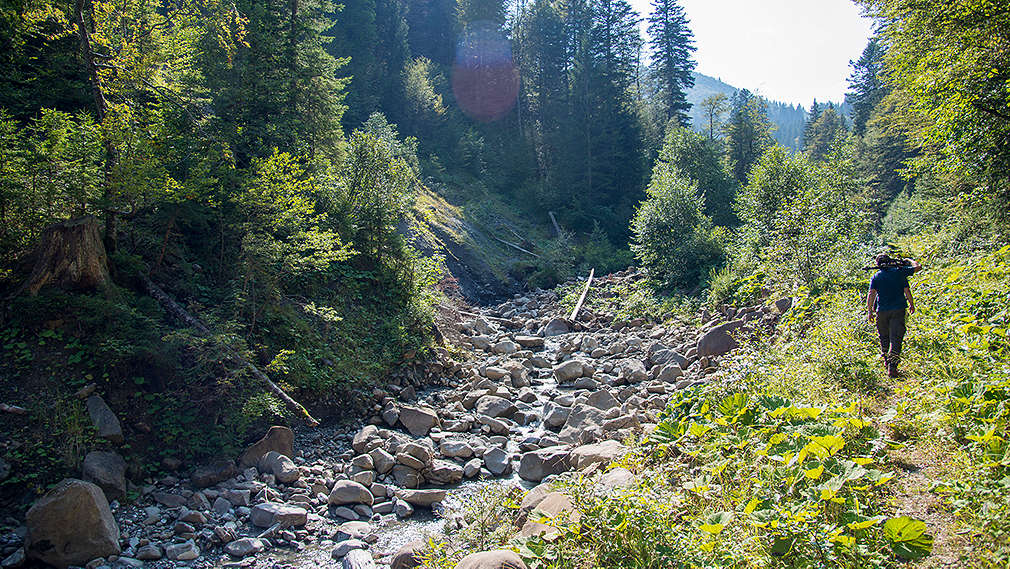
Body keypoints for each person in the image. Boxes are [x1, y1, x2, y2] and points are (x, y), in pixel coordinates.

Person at [866, 253, 922, 377]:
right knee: (896, 338)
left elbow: (871, 294)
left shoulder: (876, 277)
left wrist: (870, 311)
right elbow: (917, 269)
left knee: (884, 337)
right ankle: (892, 367)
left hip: (881, 311)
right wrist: (909, 261)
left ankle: (886, 360)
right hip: (898, 310)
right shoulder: (899, 272)